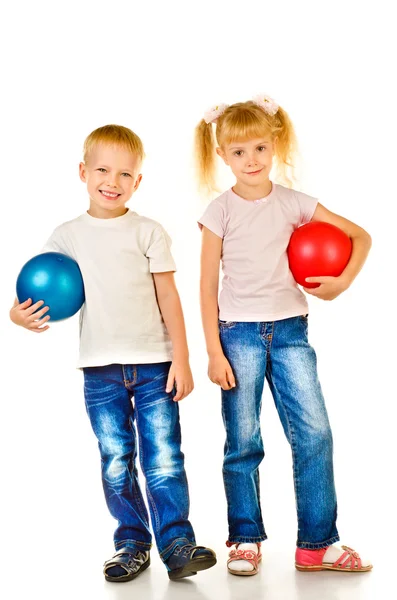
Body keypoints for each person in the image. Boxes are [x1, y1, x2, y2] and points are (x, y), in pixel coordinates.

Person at [10, 124, 216, 582]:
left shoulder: (148, 232)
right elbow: (38, 287)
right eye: (102, 169)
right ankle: (131, 543)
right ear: (83, 172)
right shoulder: (67, 236)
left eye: (125, 174)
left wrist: (181, 358)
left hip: (154, 367)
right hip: (99, 371)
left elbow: (169, 298)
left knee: (163, 456)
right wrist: (16, 316)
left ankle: (177, 544)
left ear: (137, 182)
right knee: (115, 458)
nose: (113, 181)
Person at [195, 95, 372, 575]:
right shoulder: (220, 211)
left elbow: (361, 237)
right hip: (238, 335)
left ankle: (317, 542)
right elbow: (207, 283)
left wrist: (342, 282)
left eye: (259, 148)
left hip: (292, 332)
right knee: (243, 440)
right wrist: (214, 350)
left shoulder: (296, 203)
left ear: (275, 146)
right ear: (222, 156)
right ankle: (245, 538)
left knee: (315, 433)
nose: (250, 160)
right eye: (238, 153)